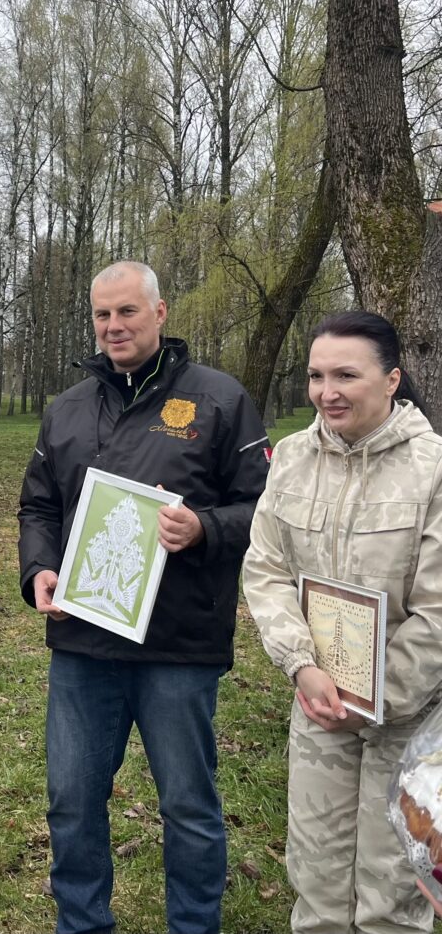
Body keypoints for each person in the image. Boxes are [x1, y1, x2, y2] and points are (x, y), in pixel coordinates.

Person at [18, 261, 270, 934]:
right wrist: (40, 567)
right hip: (83, 642)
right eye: (102, 314)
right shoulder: (67, 408)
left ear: (159, 313)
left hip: (178, 645)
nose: (113, 326)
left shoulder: (219, 399)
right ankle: (82, 923)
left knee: (187, 805)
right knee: (72, 801)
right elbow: (38, 506)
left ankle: (194, 925)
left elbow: (267, 509)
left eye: (127, 311)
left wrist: (204, 527)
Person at [243, 311, 442, 933]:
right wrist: (301, 666)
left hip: (409, 720)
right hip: (319, 707)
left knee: (392, 896)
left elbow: (437, 610)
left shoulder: (434, 468)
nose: (326, 392)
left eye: (346, 376)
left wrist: (375, 698)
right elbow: (266, 569)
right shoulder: (292, 459)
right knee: (318, 883)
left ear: (392, 380)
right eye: (316, 376)